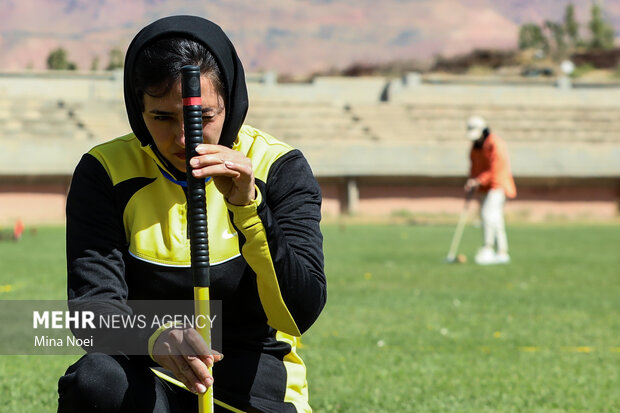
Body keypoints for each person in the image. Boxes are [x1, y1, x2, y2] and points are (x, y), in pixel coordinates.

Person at [57, 15, 326, 413]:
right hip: (149, 383)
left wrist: (249, 209)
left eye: (203, 118)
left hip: (256, 390)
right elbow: (92, 313)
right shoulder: (106, 171)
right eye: (162, 118)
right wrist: (155, 336)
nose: (185, 138)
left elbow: (300, 311)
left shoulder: (278, 167)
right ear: (137, 108)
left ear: (230, 102)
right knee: (95, 379)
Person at [464, 115, 516, 265]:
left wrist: (478, 180)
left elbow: (497, 169)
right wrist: (471, 180)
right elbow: (474, 167)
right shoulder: (475, 147)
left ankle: (488, 248)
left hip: (498, 184)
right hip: (484, 187)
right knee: (495, 218)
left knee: (488, 214)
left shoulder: (495, 144)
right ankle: (502, 252)